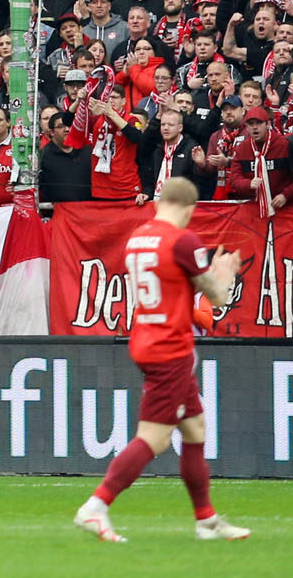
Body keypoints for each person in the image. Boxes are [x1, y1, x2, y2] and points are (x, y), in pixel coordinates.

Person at [73, 177, 247, 543]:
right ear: (188, 209)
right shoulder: (184, 240)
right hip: (171, 348)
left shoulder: (138, 238)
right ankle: (96, 507)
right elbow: (213, 297)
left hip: (147, 337)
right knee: (153, 438)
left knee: (194, 429)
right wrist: (225, 274)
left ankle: (206, 520)